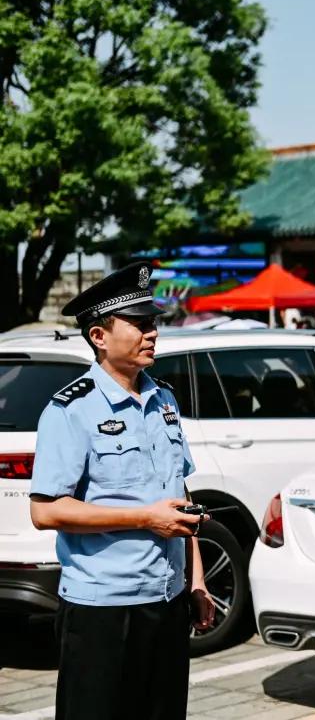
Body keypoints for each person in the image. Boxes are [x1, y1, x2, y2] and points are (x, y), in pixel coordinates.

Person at [28, 262, 215, 720]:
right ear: (99, 336)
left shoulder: (164, 399)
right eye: (139, 324)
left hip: (166, 599)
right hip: (103, 608)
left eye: (153, 324)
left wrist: (196, 581)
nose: (152, 333)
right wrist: (144, 519)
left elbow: (179, 495)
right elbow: (45, 511)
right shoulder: (71, 410)